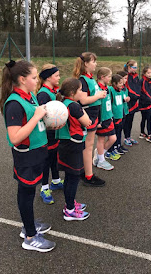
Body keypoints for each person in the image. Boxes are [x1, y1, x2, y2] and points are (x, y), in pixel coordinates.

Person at [0, 59, 55, 252]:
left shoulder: (30, 96)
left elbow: (35, 123)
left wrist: (50, 121)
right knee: (26, 191)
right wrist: (36, 117)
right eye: (34, 77)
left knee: (30, 191)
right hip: (26, 157)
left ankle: (28, 223)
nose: (37, 80)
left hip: (37, 152)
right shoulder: (14, 103)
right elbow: (15, 137)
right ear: (22, 79)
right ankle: (30, 236)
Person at [56, 78, 91, 220]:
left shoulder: (64, 103)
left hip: (67, 145)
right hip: (72, 145)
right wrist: (82, 107)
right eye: (80, 90)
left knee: (70, 177)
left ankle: (69, 203)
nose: (82, 92)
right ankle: (69, 210)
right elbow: (87, 122)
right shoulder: (74, 106)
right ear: (72, 92)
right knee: (73, 177)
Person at [73, 52, 107, 187]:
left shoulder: (90, 79)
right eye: (93, 61)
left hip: (93, 115)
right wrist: (98, 95)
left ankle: (84, 171)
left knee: (87, 146)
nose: (96, 64)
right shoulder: (82, 80)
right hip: (87, 115)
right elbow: (83, 100)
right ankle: (88, 175)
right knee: (88, 147)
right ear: (86, 64)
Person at [36, 64, 64, 205]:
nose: (59, 78)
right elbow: (43, 116)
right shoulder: (43, 94)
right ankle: (44, 188)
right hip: (47, 134)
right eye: (57, 75)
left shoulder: (54, 91)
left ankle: (56, 181)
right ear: (48, 77)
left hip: (55, 132)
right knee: (46, 161)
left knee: (54, 157)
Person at [92, 67, 118, 170]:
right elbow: (96, 106)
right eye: (109, 76)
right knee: (101, 139)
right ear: (102, 77)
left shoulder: (107, 88)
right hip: (101, 120)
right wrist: (97, 120)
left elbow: (109, 103)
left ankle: (99, 153)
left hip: (108, 118)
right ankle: (101, 160)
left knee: (113, 138)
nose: (110, 78)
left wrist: (111, 115)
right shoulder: (97, 89)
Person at [107, 74, 127, 156]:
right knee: (113, 135)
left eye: (122, 83)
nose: (122, 85)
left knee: (119, 132)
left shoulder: (121, 91)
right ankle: (110, 149)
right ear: (114, 84)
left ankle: (117, 146)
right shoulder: (111, 90)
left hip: (120, 116)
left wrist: (125, 99)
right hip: (114, 117)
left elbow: (120, 101)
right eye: (120, 83)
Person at [124, 60, 141, 146]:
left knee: (130, 121)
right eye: (134, 67)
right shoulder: (126, 76)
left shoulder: (135, 76)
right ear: (129, 67)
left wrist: (138, 95)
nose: (136, 69)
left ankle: (129, 136)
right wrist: (136, 96)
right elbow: (128, 89)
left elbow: (138, 87)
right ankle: (126, 138)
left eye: (136, 67)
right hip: (128, 103)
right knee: (126, 121)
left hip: (134, 102)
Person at [139, 65, 151, 143]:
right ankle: (146, 134)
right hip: (144, 104)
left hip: (149, 104)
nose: (150, 74)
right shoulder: (142, 81)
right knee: (145, 119)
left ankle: (146, 133)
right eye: (148, 73)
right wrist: (149, 100)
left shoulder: (150, 81)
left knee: (148, 119)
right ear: (144, 73)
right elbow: (142, 93)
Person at [117, 70, 130, 151]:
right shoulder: (117, 90)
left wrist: (127, 99)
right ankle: (116, 146)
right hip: (119, 113)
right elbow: (117, 101)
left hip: (124, 111)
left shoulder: (125, 88)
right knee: (117, 131)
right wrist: (123, 100)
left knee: (121, 130)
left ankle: (119, 144)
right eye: (125, 78)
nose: (126, 80)